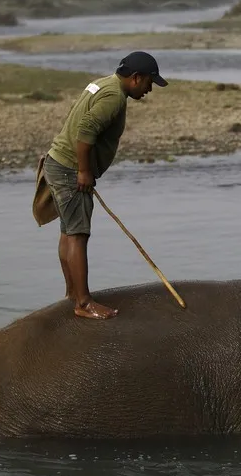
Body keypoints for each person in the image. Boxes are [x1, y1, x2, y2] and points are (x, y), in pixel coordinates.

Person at [33, 51, 168, 319]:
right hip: (70, 168)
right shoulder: (114, 97)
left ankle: (73, 292)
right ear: (135, 78)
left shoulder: (104, 82)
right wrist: (83, 171)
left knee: (69, 231)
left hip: (58, 161)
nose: (150, 89)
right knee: (78, 234)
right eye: (149, 82)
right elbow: (85, 131)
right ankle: (83, 302)